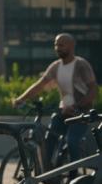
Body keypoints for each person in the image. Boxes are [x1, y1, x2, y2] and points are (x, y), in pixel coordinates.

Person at [14, 33, 98, 168]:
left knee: (72, 141)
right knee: (48, 140)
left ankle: (74, 176)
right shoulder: (56, 66)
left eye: (61, 45)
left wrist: (77, 106)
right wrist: (21, 98)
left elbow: (94, 90)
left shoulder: (81, 65)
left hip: (81, 112)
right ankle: (50, 174)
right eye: (55, 45)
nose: (57, 48)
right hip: (63, 111)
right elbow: (39, 85)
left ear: (71, 46)